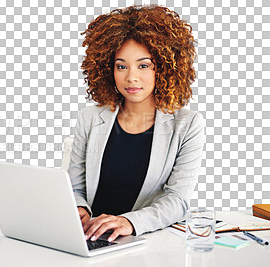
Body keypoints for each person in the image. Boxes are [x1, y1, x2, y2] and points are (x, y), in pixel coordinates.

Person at [68, 4, 204, 243]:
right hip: (90, 238)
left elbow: (177, 199)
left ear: (164, 68)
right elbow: (74, 188)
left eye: (143, 65)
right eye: (121, 66)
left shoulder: (187, 125)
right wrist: (80, 210)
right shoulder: (89, 118)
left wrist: (131, 222)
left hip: (142, 240)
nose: (131, 76)